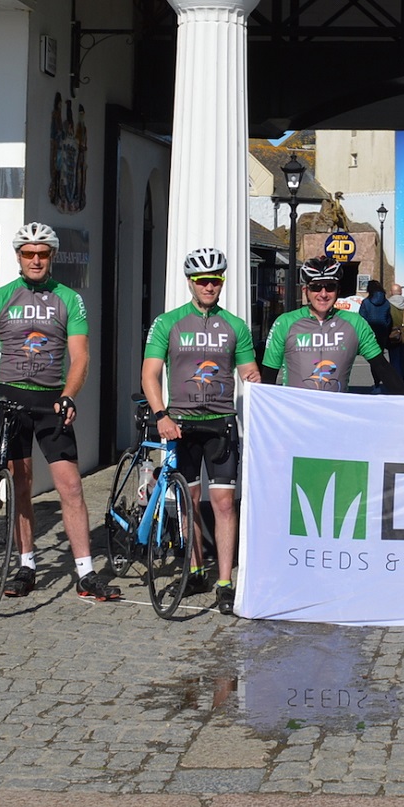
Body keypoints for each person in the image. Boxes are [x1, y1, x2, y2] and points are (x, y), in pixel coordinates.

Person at [0, 222, 118, 602]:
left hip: (51, 401)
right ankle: (26, 564)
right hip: (11, 398)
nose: (36, 260)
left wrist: (70, 394)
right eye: (28, 253)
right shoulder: (0, 297)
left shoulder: (68, 299)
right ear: (18, 257)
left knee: (71, 486)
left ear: (52, 257)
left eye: (42, 253)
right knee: (21, 484)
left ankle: (86, 573)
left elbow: (81, 357)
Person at [141, 247, 260, 615]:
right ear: (190, 282)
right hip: (180, 424)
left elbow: (249, 373)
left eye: (215, 280)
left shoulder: (235, 325)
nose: (209, 286)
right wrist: (161, 414)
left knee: (223, 503)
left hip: (221, 424)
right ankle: (195, 570)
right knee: (189, 502)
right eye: (202, 280)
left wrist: (255, 381)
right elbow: (149, 374)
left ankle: (224, 582)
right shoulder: (168, 323)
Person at [262, 258, 404, 392]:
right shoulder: (285, 323)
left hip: (336, 412)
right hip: (295, 412)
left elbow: (382, 368)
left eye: (330, 287)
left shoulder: (355, 323)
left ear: (338, 291)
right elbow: (268, 377)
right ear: (306, 291)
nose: (323, 294)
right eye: (316, 287)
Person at [359, 281, 397, 390]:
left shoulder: (366, 302)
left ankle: (376, 383)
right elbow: (389, 319)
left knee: (373, 359)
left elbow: (362, 319)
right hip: (383, 333)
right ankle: (381, 382)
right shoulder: (386, 302)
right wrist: (386, 330)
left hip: (370, 333)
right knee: (380, 357)